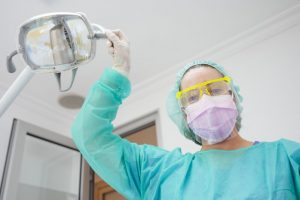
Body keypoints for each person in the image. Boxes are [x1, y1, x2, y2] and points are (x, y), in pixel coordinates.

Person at [71, 30, 300, 199]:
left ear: (233, 96)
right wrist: (118, 72)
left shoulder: (286, 158)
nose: (206, 100)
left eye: (215, 89)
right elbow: (89, 135)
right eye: (192, 97)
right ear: (184, 115)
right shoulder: (158, 172)